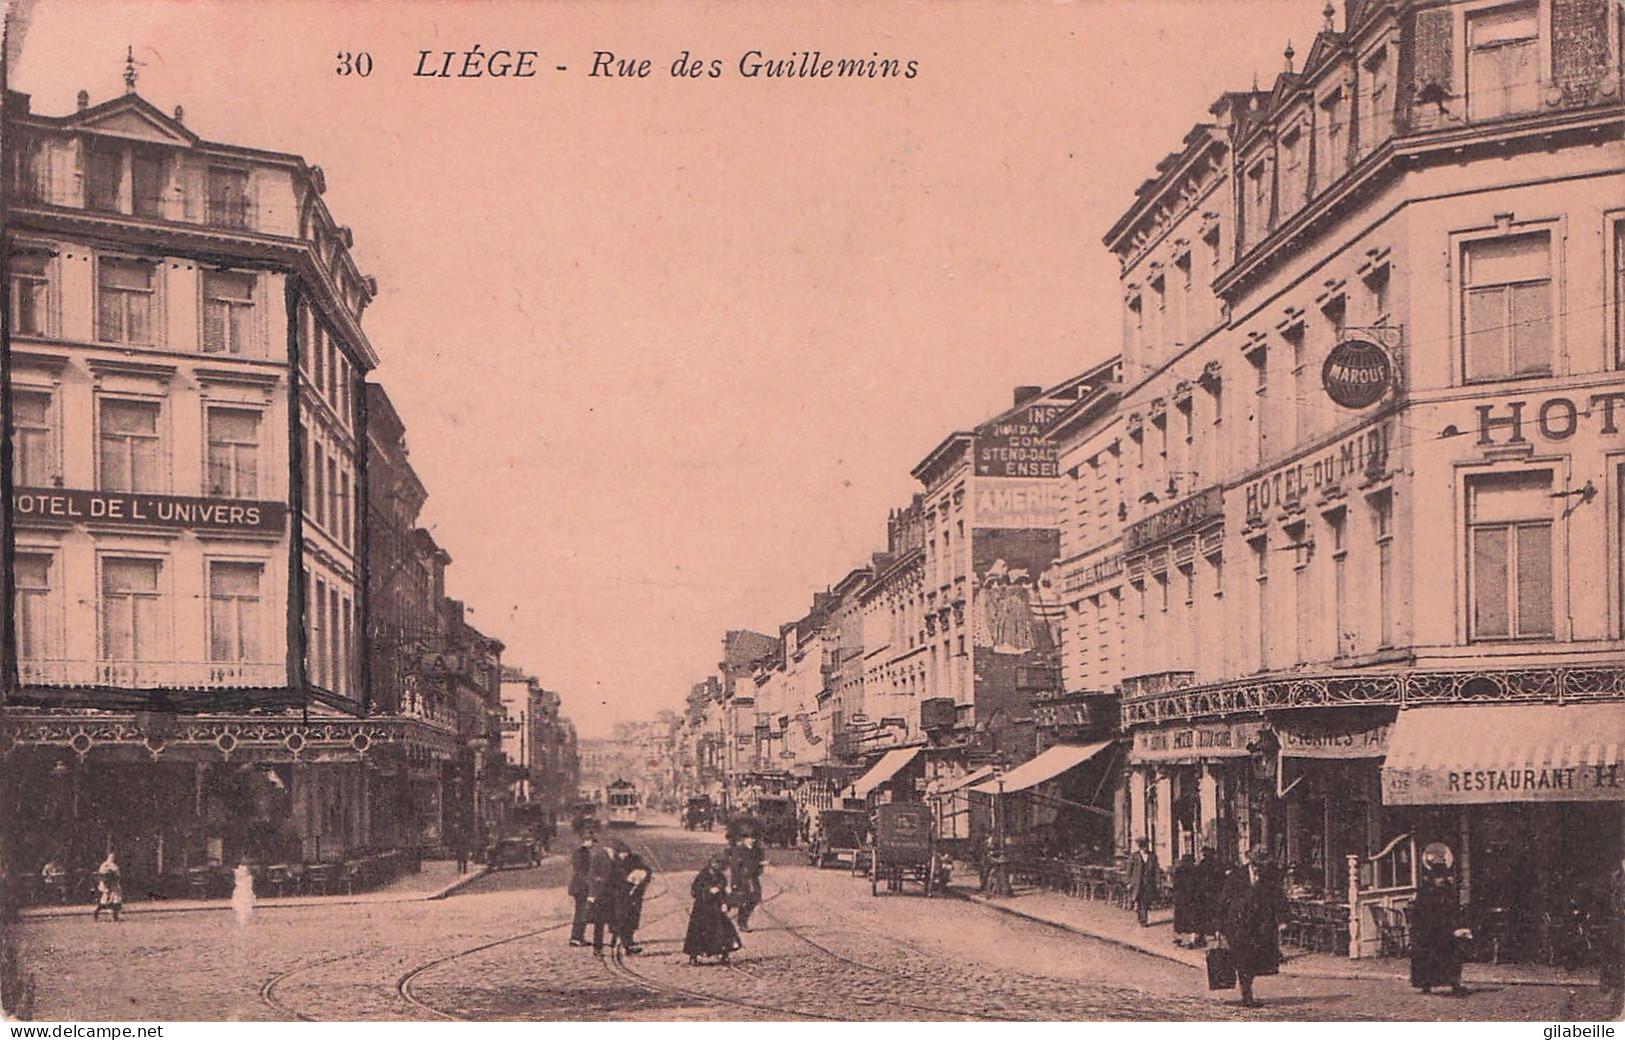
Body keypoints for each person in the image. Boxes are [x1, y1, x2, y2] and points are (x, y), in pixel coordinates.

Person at [1218, 845, 1284, 1008]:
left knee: (1255, 960)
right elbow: (1224, 901)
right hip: (1239, 924)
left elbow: (1278, 897)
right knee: (1243, 960)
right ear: (1252, 862)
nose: (1260, 868)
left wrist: (1282, 919)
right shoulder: (1236, 876)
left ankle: (1247, 990)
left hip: (1260, 926)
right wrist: (1220, 926)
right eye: (1257, 864)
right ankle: (1247, 995)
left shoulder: (1269, 877)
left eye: (1263, 864)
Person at [1410, 843, 1469, 997]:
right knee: (1429, 956)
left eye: (1442, 876)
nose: (1441, 880)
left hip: (1446, 927)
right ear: (1432, 877)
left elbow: (1454, 908)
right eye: (1438, 877)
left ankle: (1454, 983)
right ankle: (1426, 984)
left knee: (1452, 955)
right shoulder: (1425, 891)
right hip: (1430, 929)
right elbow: (1420, 911)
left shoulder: (1449, 890)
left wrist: (1457, 925)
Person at [684, 854, 742, 966]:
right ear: (711, 864)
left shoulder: (721, 877)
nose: (718, 867)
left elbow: (725, 892)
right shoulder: (703, 875)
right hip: (702, 908)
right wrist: (709, 890)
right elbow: (695, 890)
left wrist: (726, 903)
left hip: (717, 907)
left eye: (720, 865)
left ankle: (725, 954)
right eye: (716, 864)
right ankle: (693, 956)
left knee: (723, 930)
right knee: (698, 931)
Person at [606, 840, 653, 955]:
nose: (624, 856)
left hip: (634, 894)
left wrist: (641, 876)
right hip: (618, 894)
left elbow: (647, 870)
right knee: (620, 918)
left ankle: (628, 940)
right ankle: (626, 944)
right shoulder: (612, 861)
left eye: (626, 853)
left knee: (631, 918)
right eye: (622, 853)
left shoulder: (635, 859)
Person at [566, 825, 603, 948]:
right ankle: (575, 938)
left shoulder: (584, 852)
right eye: (592, 841)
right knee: (581, 912)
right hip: (580, 887)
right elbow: (580, 871)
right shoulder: (580, 853)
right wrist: (590, 883)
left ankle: (579, 936)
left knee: (582, 912)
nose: (593, 844)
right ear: (586, 841)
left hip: (581, 886)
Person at [728, 832, 766, 931]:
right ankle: (742, 923)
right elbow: (735, 867)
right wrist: (735, 883)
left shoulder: (756, 850)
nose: (752, 840)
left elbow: (756, 864)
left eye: (754, 838)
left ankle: (742, 920)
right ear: (744, 839)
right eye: (750, 838)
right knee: (743, 900)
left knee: (756, 898)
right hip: (742, 879)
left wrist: (761, 865)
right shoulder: (739, 850)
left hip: (753, 879)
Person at [1127, 838, 1159, 927]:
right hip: (1137, 883)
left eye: (1146, 847)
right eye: (1143, 847)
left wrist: (1158, 881)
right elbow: (1129, 870)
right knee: (1139, 900)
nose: (1145, 849)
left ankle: (1143, 919)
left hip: (1148, 882)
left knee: (1145, 901)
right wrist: (1129, 882)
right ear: (1140, 847)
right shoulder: (1134, 856)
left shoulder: (1152, 856)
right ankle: (1141, 919)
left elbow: (1156, 869)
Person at [1172, 851, 1200, 947]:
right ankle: (1191, 940)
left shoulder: (1179, 870)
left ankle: (1179, 938)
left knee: (1181, 920)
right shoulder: (1196, 871)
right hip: (1192, 899)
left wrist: (1176, 895)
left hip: (1181, 898)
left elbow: (1175, 885)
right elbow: (1199, 886)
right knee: (1192, 921)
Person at [93, 854, 123, 923]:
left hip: (104, 885)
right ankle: (115, 917)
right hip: (112, 885)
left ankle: (97, 912)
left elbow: (99, 875)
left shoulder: (103, 865)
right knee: (116, 900)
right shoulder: (114, 866)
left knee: (104, 900)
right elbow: (118, 877)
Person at [231, 860, 256, 925]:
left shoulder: (243, 876)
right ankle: (242, 918)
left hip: (243, 890)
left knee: (244, 903)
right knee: (243, 903)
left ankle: (243, 918)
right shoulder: (247, 877)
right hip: (242, 890)